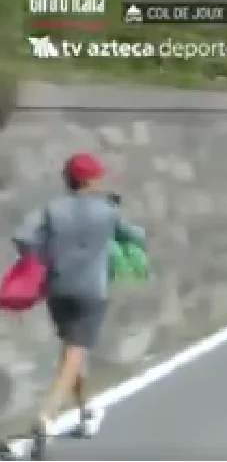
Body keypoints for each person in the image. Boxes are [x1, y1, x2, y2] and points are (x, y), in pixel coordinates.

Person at [12, 152, 145, 442]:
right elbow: (135, 235)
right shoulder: (106, 210)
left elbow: (23, 238)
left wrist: (45, 257)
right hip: (91, 291)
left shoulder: (52, 209)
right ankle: (47, 416)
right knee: (74, 352)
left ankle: (87, 411)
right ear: (91, 179)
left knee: (73, 350)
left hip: (57, 288)